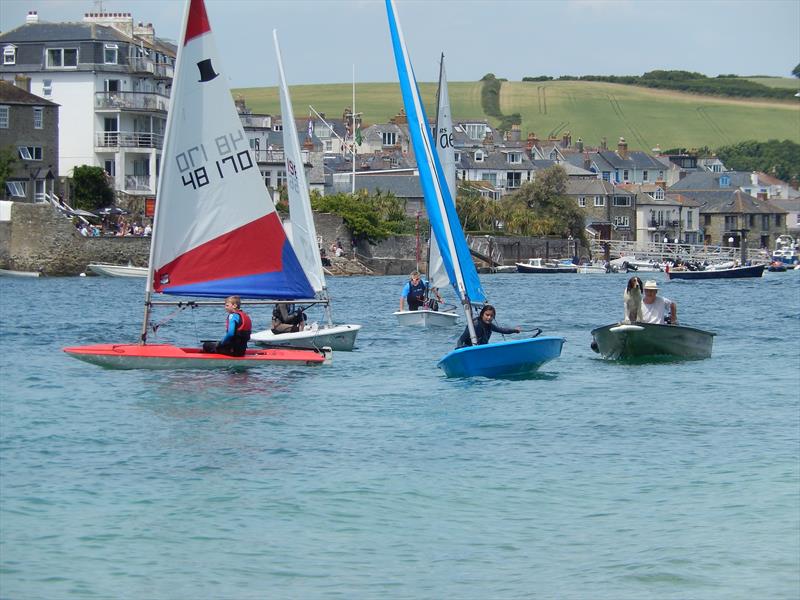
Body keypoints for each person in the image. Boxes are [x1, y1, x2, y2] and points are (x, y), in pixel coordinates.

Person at [456, 304, 521, 348]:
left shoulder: (490, 326)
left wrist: (515, 330)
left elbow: (501, 330)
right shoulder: (474, 325)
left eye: (491, 316)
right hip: (469, 350)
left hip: (481, 350)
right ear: (482, 315)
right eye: (487, 315)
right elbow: (461, 340)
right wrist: (459, 350)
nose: (489, 317)